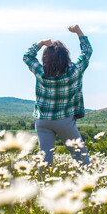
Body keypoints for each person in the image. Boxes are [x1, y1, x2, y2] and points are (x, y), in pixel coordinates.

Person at [23, 24, 92, 170]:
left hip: (42, 121)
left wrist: (40, 43)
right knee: (81, 157)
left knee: (45, 159)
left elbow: (27, 56)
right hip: (64, 120)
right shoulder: (74, 71)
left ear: (45, 58)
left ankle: (42, 186)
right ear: (65, 56)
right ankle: (90, 184)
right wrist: (78, 31)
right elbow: (87, 51)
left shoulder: (41, 72)